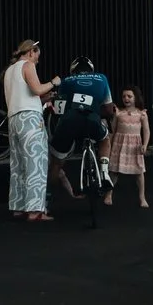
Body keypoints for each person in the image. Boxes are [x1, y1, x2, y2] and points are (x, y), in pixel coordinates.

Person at [3, 38, 54, 221]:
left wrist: (42, 98)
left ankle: (18, 206)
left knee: (18, 164)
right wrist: (54, 82)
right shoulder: (27, 65)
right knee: (36, 163)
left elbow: (25, 95)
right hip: (30, 120)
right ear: (31, 52)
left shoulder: (9, 70)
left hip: (14, 119)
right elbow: (37, 89)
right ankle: (35, 211)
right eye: (37, 56)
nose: (37, 61)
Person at [51, 53, 113, 201]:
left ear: (73, 70)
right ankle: (104, 171)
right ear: (91, 69)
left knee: (56, 162)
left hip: (70, 121)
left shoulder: (66, 81)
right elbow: (109, 110)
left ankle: (46, 198)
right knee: (105, 139)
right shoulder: (102, 78)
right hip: (92, 119)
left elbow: (59, 110)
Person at [106, 87, 152, 208]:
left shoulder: (141, 114)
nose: (126, 99)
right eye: (124, 96)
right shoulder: (119, 113)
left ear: (135, 97)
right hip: (119, 144)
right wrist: (109, 146)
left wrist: (145, 145)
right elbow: (112, 130)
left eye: (129, 96)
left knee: (139, 172)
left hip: (134, 146)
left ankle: (142, 197)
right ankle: (109, 194)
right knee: (114, 172)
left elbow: (146, 131)